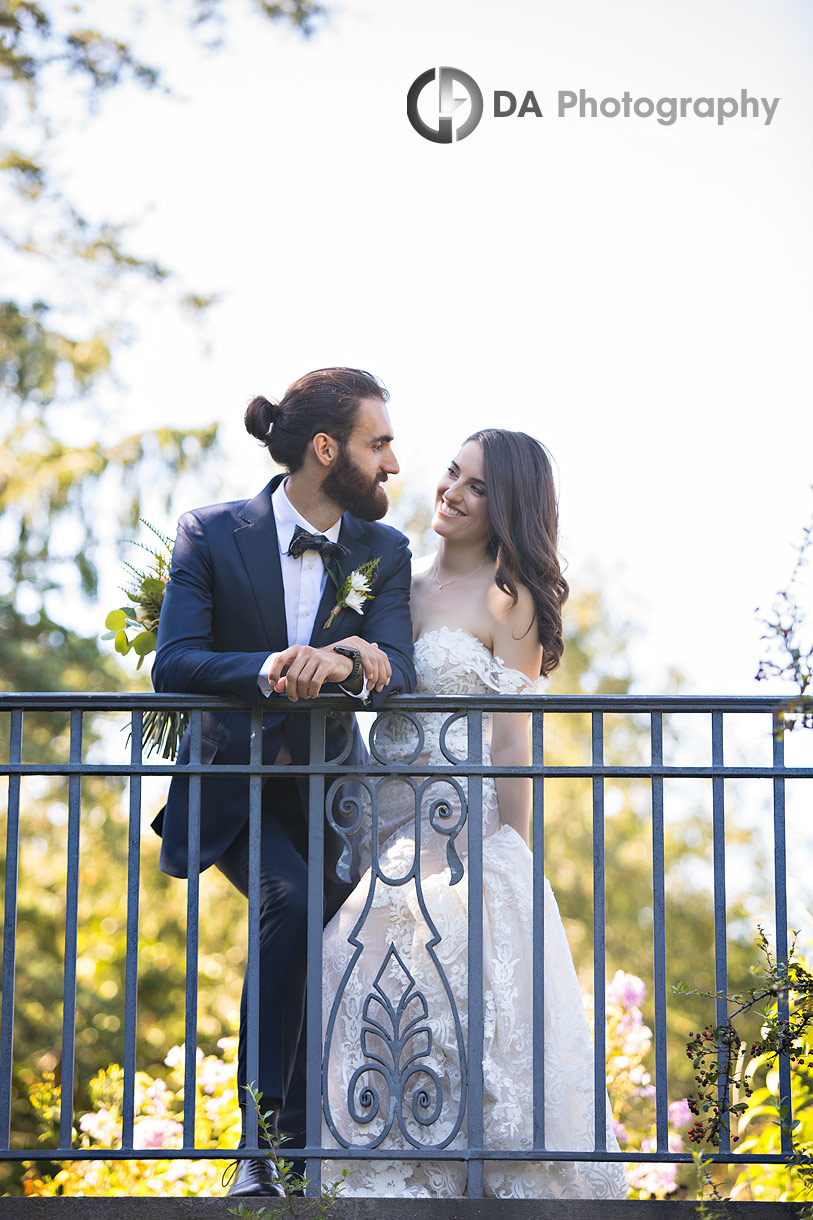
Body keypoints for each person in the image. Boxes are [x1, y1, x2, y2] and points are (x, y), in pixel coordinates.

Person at [321, 429, 629, 1199]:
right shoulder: (392, 577)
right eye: (453, 473)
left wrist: (510, 850)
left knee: (403, 929)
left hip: (462, 813)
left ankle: (443, 1156)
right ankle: (385, 1142)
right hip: (376, 808)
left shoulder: (509, 597)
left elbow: (512, 735)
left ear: (508, 507)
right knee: (358, 941)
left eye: (478, 486)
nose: (451, 492)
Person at [151, 367, 416, 1197]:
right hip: (233, 786)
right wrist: (270, 667)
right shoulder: (210, 531)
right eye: (379, 444)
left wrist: (343, 656)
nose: (393, 464)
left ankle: (299, 1159)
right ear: (325, 448)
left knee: (322, 942)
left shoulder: (386, 549)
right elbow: (174, 664)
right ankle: (259, 1152)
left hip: (334, 797)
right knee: (291, 904)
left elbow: (398, 665)